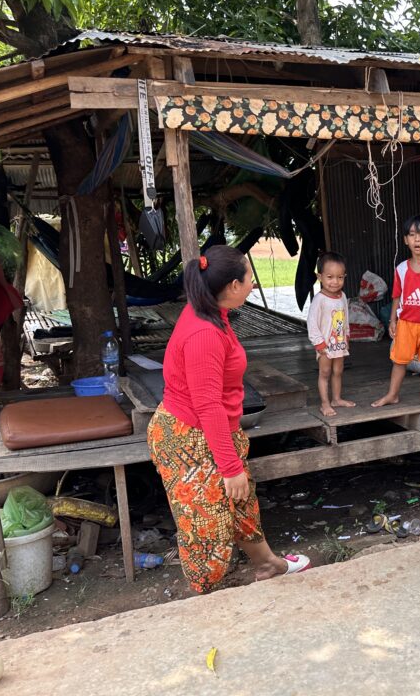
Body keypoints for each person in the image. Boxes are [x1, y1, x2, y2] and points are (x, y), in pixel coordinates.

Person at [147, 245, 310, 591]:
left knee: (240, 502)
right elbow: (207, 406)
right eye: (249, 276)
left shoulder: (211, 312)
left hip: (210, 428)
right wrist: (229, 467)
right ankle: (207, 600)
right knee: (206, 528)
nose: (252, 282)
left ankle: (268, 565)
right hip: (187, 437)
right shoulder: (204, 334)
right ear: (233, 286)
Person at [372, 215, 420, 409]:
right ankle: (392, 394)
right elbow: (396, 297)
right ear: (405, 240)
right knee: (399, 361)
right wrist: (393, 320)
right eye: (412, 234)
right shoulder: (401, 269)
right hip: (405, 324)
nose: (417, 239)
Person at [307, 251, 355, 417]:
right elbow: (312, 323)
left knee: (338, 372)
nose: (335, 282)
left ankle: (336, 399)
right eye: (330, 277)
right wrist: (319, 344)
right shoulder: (319, 299)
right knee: (325, 373)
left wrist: (346, 336)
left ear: (344, 277)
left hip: (340, 343)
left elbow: (345, 318)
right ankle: (325, 404)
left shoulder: (342, 297)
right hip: (325, 346)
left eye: (340, 277)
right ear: (320, 277)